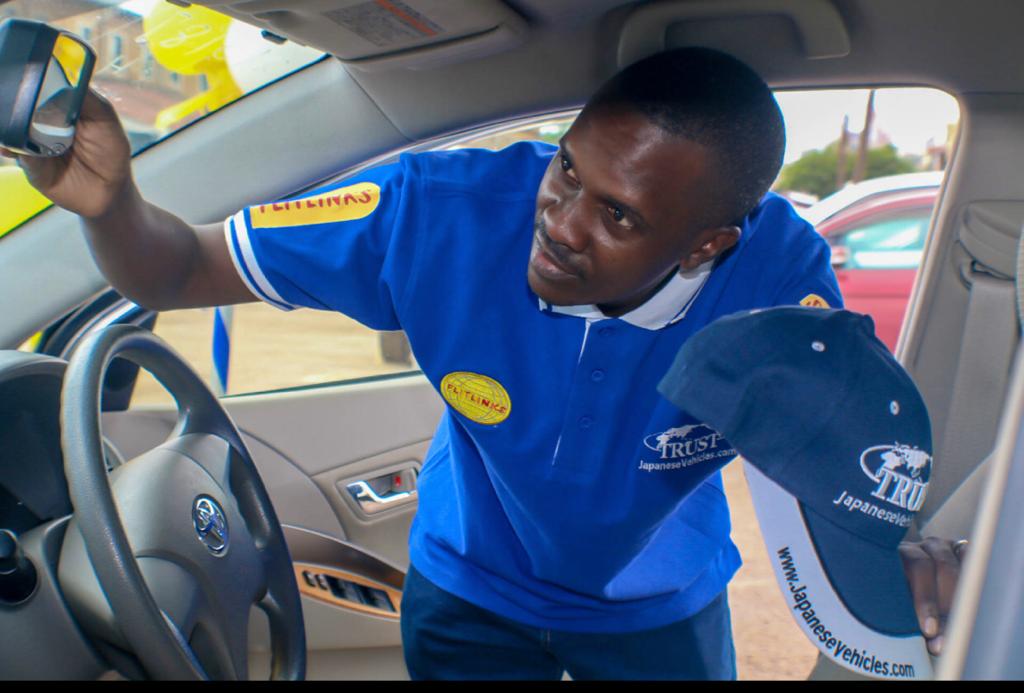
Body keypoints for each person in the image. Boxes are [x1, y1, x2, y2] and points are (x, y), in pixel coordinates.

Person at [4, 46, 964, 680]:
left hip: (657, 605)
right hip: (468, 589)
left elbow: (831, 448)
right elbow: (178, 266)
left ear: (708, 244)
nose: (560, 226)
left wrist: (901, 556)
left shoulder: (775, 273)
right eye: (567, 172)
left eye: (618, 216)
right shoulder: (433, 212)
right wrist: (108, 204)